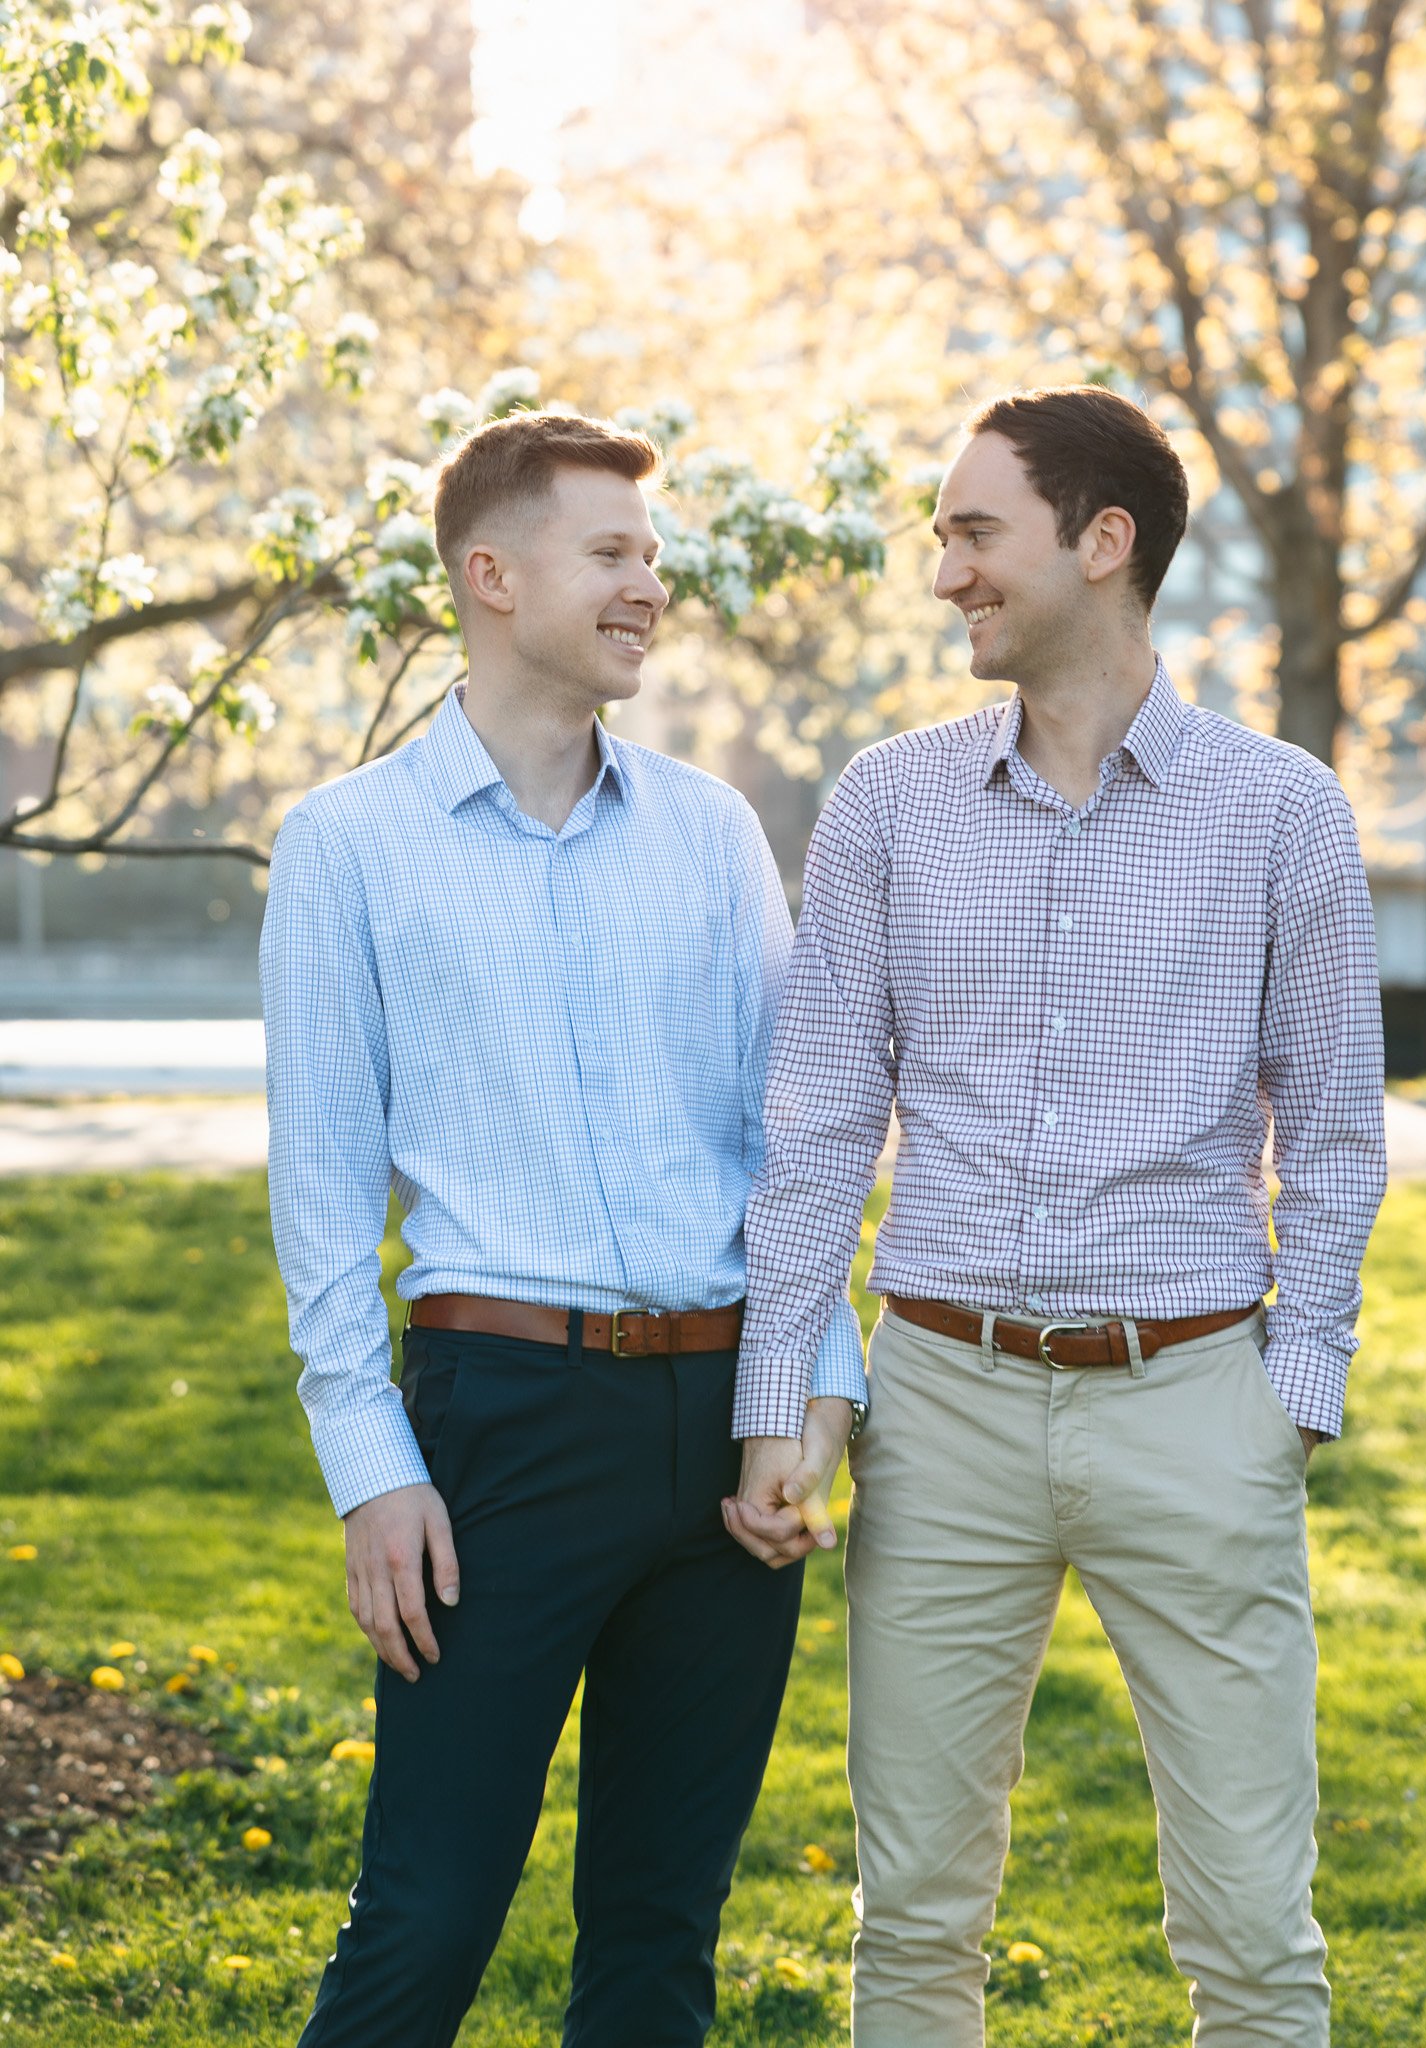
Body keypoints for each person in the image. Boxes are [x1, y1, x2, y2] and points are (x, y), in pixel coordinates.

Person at [724, 385, 1387, 2046]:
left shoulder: (1283, 812)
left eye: (973, 532)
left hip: (1197, 1406)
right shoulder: (886, 803)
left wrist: (1290, 1396)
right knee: (916, 1925)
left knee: (1251, 1930)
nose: (944, 570)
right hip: (940, 1408)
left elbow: (1339, 1132)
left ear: (1104, 545)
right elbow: (816, 1123)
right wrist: (776, 1404)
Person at [261, 407, 865, 2048]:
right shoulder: (345, 850)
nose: (648, 589)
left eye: (653, 559)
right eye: (611, 554)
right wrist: (371, 1469)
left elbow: (792, 1149)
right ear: (490, 574)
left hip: (725, 1424)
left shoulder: (715, 832)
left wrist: (804, 1405)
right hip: (500, 1430)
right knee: (431, 1917)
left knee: (661, 1934)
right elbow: (321, 1204)